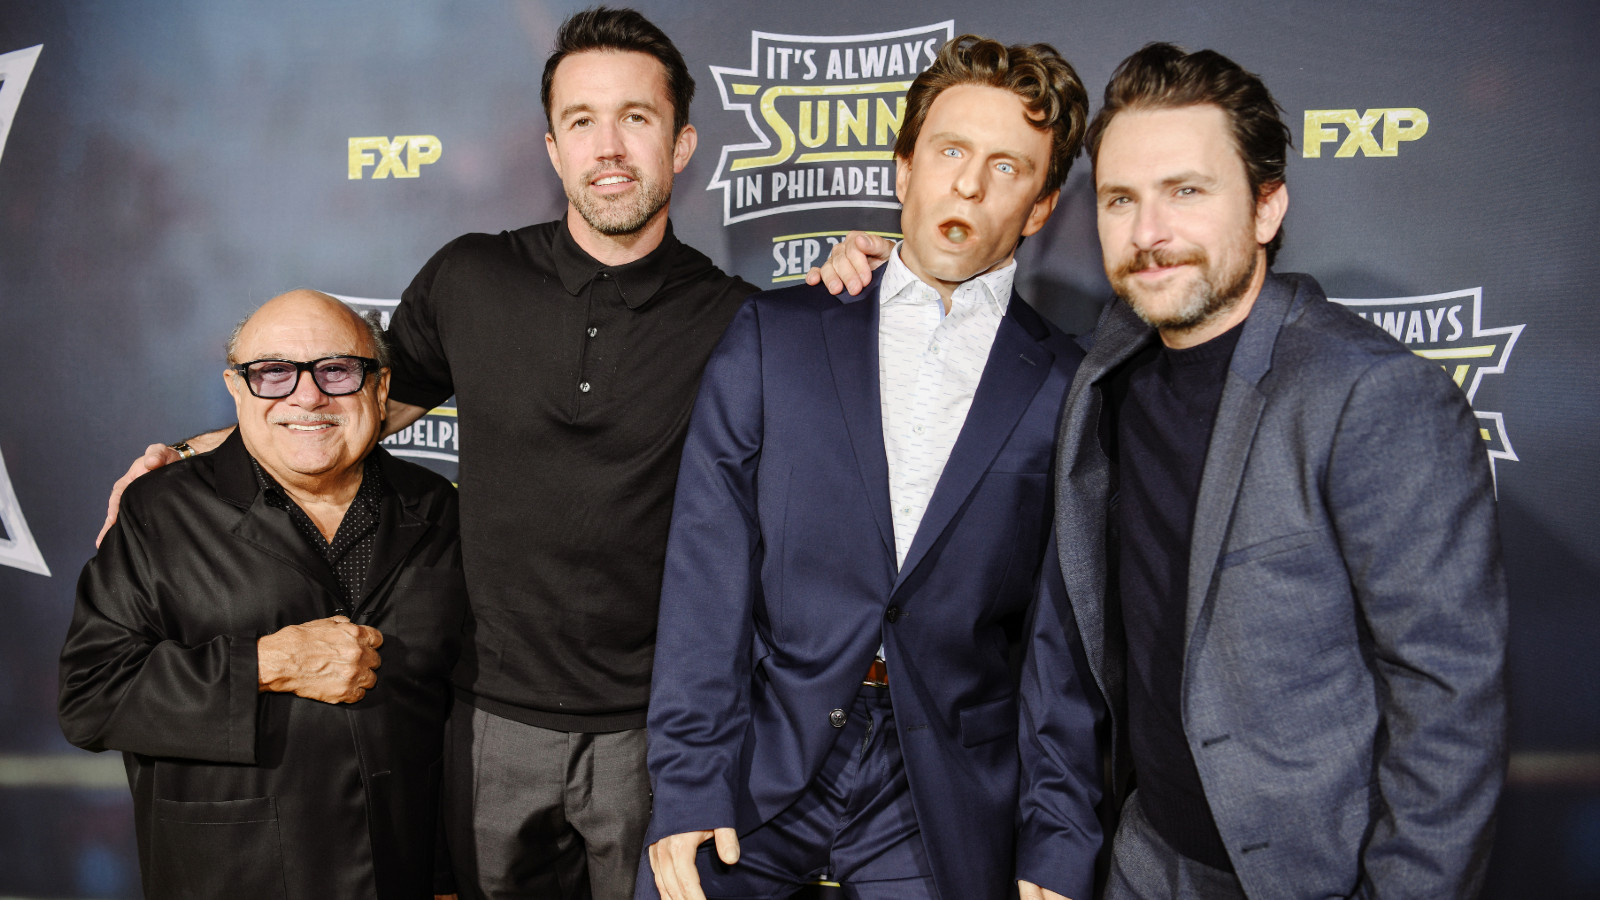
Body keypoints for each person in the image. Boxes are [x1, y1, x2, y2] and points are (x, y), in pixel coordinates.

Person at [95, 10, 756, 898]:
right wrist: (188, 454)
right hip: (487, 719)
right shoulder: (472, 276)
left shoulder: (742, 321)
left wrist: (863, 276)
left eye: (637, 118)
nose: (609, 146)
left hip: (654, 729)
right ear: (552, 148)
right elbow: (352, 406)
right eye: (582, 121)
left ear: (681, 145)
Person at [1017, 44, 1508, 899]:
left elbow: (1449, 705)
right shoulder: (1111, 365)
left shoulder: (1369, 393)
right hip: (1145, 858)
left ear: (1268, 206)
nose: (1149, 234)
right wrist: (886, 276)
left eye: (1187, 192)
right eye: (1120, 199)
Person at [643, 35, 1102, 900]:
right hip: (760, 759)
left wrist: (1058, 840)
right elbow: (706, 577)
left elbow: (1061, 645)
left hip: (939, 792)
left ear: (1041, 207)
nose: (968, 184)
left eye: (1008, 167)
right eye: (951, 151)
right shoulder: (777, 336)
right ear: (904, 168)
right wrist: (688, 781)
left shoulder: (1069, 388)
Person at [60, 290, 467, 899]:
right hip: (229, 874)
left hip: (400, 876)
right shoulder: (160, 511)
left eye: (337, 370)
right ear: (236, 388)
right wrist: (266, 664)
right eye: (273, 373)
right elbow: (92, 697)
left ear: (379, 389)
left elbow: (461, 721)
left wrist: (445, 875)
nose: (308, 396)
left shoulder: (440, 510)